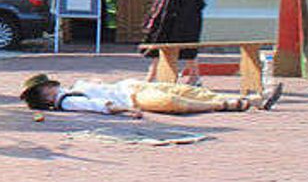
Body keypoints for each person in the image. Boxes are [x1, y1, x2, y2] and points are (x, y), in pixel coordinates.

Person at [19, 72, 283, 116]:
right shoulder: (68, 101)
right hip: (134, 98)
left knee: (184, 89)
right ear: (45, 96)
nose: (51, 88)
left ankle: (255, 99)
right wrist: (126, 110)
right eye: (46, 89)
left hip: (131, 86)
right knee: (174, 102)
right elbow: (100, 106)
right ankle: (232, 104)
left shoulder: (74, 86)